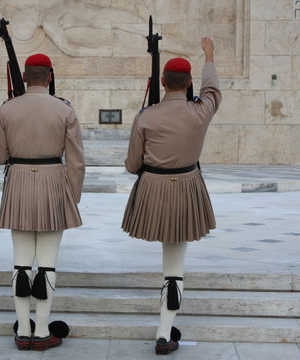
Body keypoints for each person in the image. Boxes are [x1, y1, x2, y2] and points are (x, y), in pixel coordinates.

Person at [121, 38, 222, 355]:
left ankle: (165, 330)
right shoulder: (200, 111)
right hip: (187, 188)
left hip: (153, 188)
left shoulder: (146, 116)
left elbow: (132, 164)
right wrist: (209, 56)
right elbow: (213, 91)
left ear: (161, 83)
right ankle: (164, 332)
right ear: (189, 82)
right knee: (175, 267)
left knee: (170, 264)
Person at [0, 53, 85, 351]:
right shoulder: (64, 109)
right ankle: (43, 330)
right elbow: (76, 162)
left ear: (24, 75)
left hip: (19, 182)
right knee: (47, 265)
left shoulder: (7, 108)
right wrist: (71, 197)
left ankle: (22, 330)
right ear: (49, 76)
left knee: (21, 263)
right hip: (52, 183)